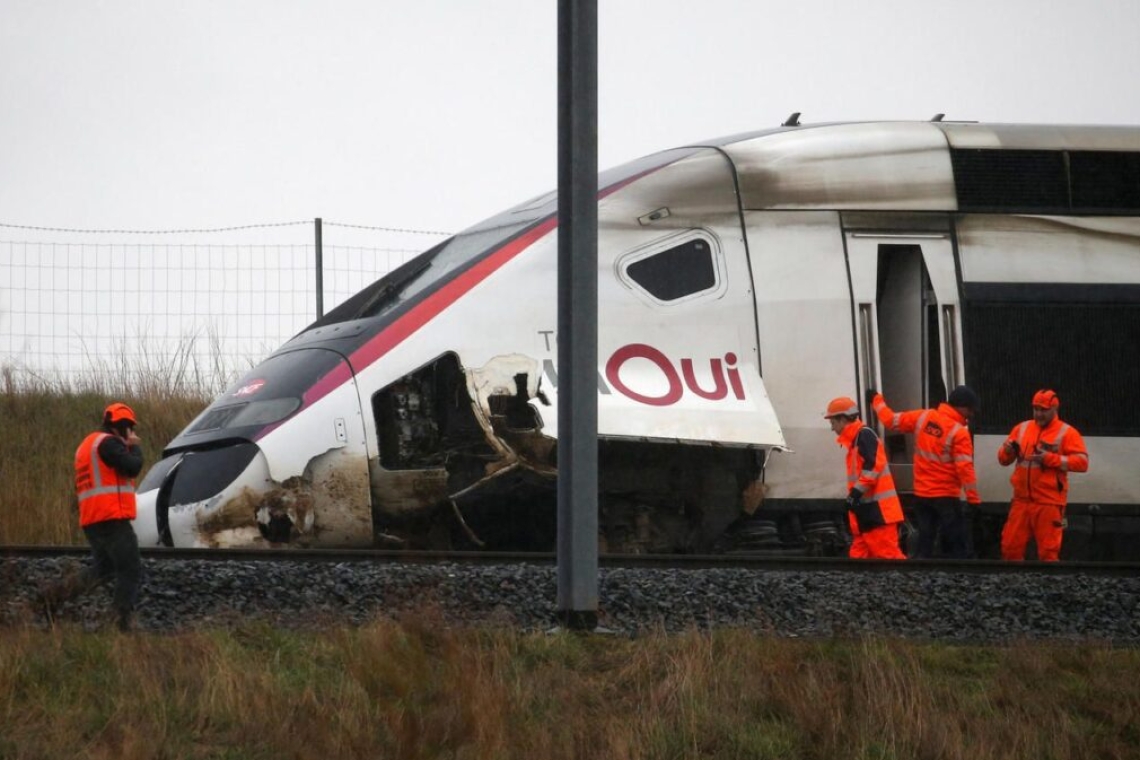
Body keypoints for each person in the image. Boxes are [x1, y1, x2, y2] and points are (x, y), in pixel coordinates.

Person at [41, 402, 144, 631]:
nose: (131, 432)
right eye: (129, 428)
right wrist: (134, 447)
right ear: (123, 427)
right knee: (130, 569)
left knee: (103, 569)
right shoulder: (109, 444)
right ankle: (121, 625)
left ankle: (53, 599)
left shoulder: (87, 444)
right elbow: (132, 467)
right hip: (112, 519)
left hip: (93, 519)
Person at [868, 385, 981, 559]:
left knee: (925, 542)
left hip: (922, 495)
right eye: (970, 410)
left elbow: (890, 420)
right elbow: (965, 469)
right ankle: (957, 577)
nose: (971, 415)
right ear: (962, 407)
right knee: (956, 545)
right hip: (946, 497)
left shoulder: (923, 417)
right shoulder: (959, 433)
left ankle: (922, 576)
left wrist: (876, 399)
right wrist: (973, 499)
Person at [997, 389, 1088, 561]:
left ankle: (1049, 586)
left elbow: (1082, 463)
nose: (1039, 414)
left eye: (1043, 410)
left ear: (1055, 409)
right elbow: (1003, 460)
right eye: (1036, 409)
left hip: (1049, 502)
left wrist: (1049, 459)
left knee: (1048, 553)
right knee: (1010, 549)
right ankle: (1013, 585)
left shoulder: (1067, 432)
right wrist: (1007, 451)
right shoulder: (1021, 428)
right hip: (1021, 501)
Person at [824, 396, 906, 559]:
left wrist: (855, 494)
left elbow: (873, 467)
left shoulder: (864, 436)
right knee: (860, 560)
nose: (832, 428)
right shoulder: (857, 440)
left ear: (842, 419)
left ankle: (909, 584)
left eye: (832, 423)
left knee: (888, 559)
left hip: (878, 514)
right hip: (869, 514)